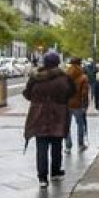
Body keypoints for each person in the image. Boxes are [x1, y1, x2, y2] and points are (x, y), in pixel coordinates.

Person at [23, 52, 75, 188]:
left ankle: (42, 178)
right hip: (58, 115)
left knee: (41, 147)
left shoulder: (35, 78)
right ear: (57, 63)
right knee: (57, 144)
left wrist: (38, 101)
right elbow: (71, 92)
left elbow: (27, 94)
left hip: (38, 115)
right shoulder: (63, 78)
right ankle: (55, 172)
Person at [64, 57, 90, 152]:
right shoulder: (83, 77)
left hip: (66, 104)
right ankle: (80, 144)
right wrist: (85, 105)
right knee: (80, 124)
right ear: (80, 64)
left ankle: (68, 146)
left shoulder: (65, 76)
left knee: (67, 125)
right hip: (78, 104)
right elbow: (84, 93)